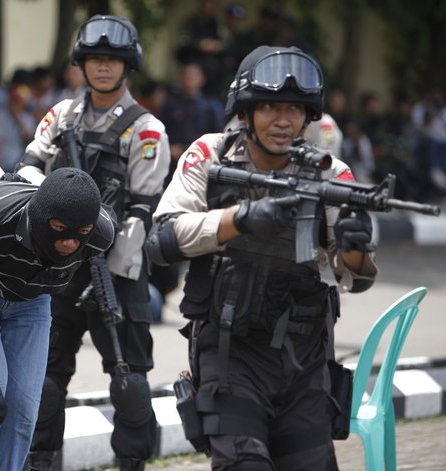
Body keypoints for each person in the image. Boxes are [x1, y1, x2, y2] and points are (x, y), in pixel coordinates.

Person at [148, 45, 378, 470]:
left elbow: (358, 277)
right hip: (230, 351)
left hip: (305, 360)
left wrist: (354, 246)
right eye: (270, 107)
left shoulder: (331, 172)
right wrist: (240, 218)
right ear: (246, 110)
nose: (283, 121)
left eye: (294, 109)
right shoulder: (210, 154)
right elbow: (162, 240)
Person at [17, 14, 170, 471]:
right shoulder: (62, 115)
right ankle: (40, 462)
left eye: (113, 60)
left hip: (116, 272)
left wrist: (105, 256)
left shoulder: (147, 130)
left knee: (131, 383)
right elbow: (27, 171)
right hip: (57, 264)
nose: (103, 68)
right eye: (95, 60)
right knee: (43, 379)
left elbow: (143, 209)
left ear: (128, 66)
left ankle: (131, 465)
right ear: (82, 65)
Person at [0, 167, 116, 471]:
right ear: (39, 217)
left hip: (33, 302)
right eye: (59, 228)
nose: (69, 243)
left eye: (80, 234)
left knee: (25, 410)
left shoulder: (101, 231)